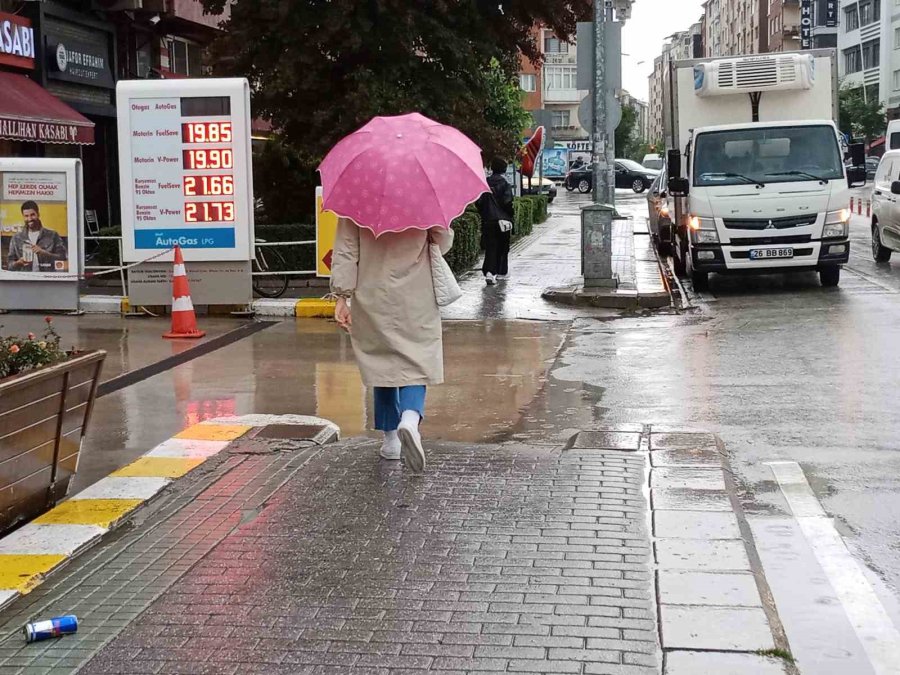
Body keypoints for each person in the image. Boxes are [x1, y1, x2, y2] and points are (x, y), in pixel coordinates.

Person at [331, 217, 453, 473]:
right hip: (417, 290)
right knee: (418, 356)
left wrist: (341, 296)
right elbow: (443, 241)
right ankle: (410, 418)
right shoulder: (423, 196)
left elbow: (346, 250)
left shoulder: (356, 200)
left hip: (372, 290)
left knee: (381, 360)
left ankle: (390, 441)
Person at [476, 158, 515, 285]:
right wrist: (510, 214)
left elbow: (479, 202)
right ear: (504, 169)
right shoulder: (505, 184)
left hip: (488, 221)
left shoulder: (484, 183)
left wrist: (485, 213)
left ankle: (489, 272)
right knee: (503, 247)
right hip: (503, 222)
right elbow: (507, 202)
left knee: (490, 247)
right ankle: (501, 272)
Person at [6, 201, 67, 273]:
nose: (29, 218)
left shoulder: (53, 235)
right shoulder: (16, 238)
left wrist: (45, 253)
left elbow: (63, 258)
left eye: (32, 215)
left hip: (47, 279)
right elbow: (9, 265)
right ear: (23, 217)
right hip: (24, 280)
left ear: (38, 214)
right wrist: (18, 263)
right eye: (26, 216)